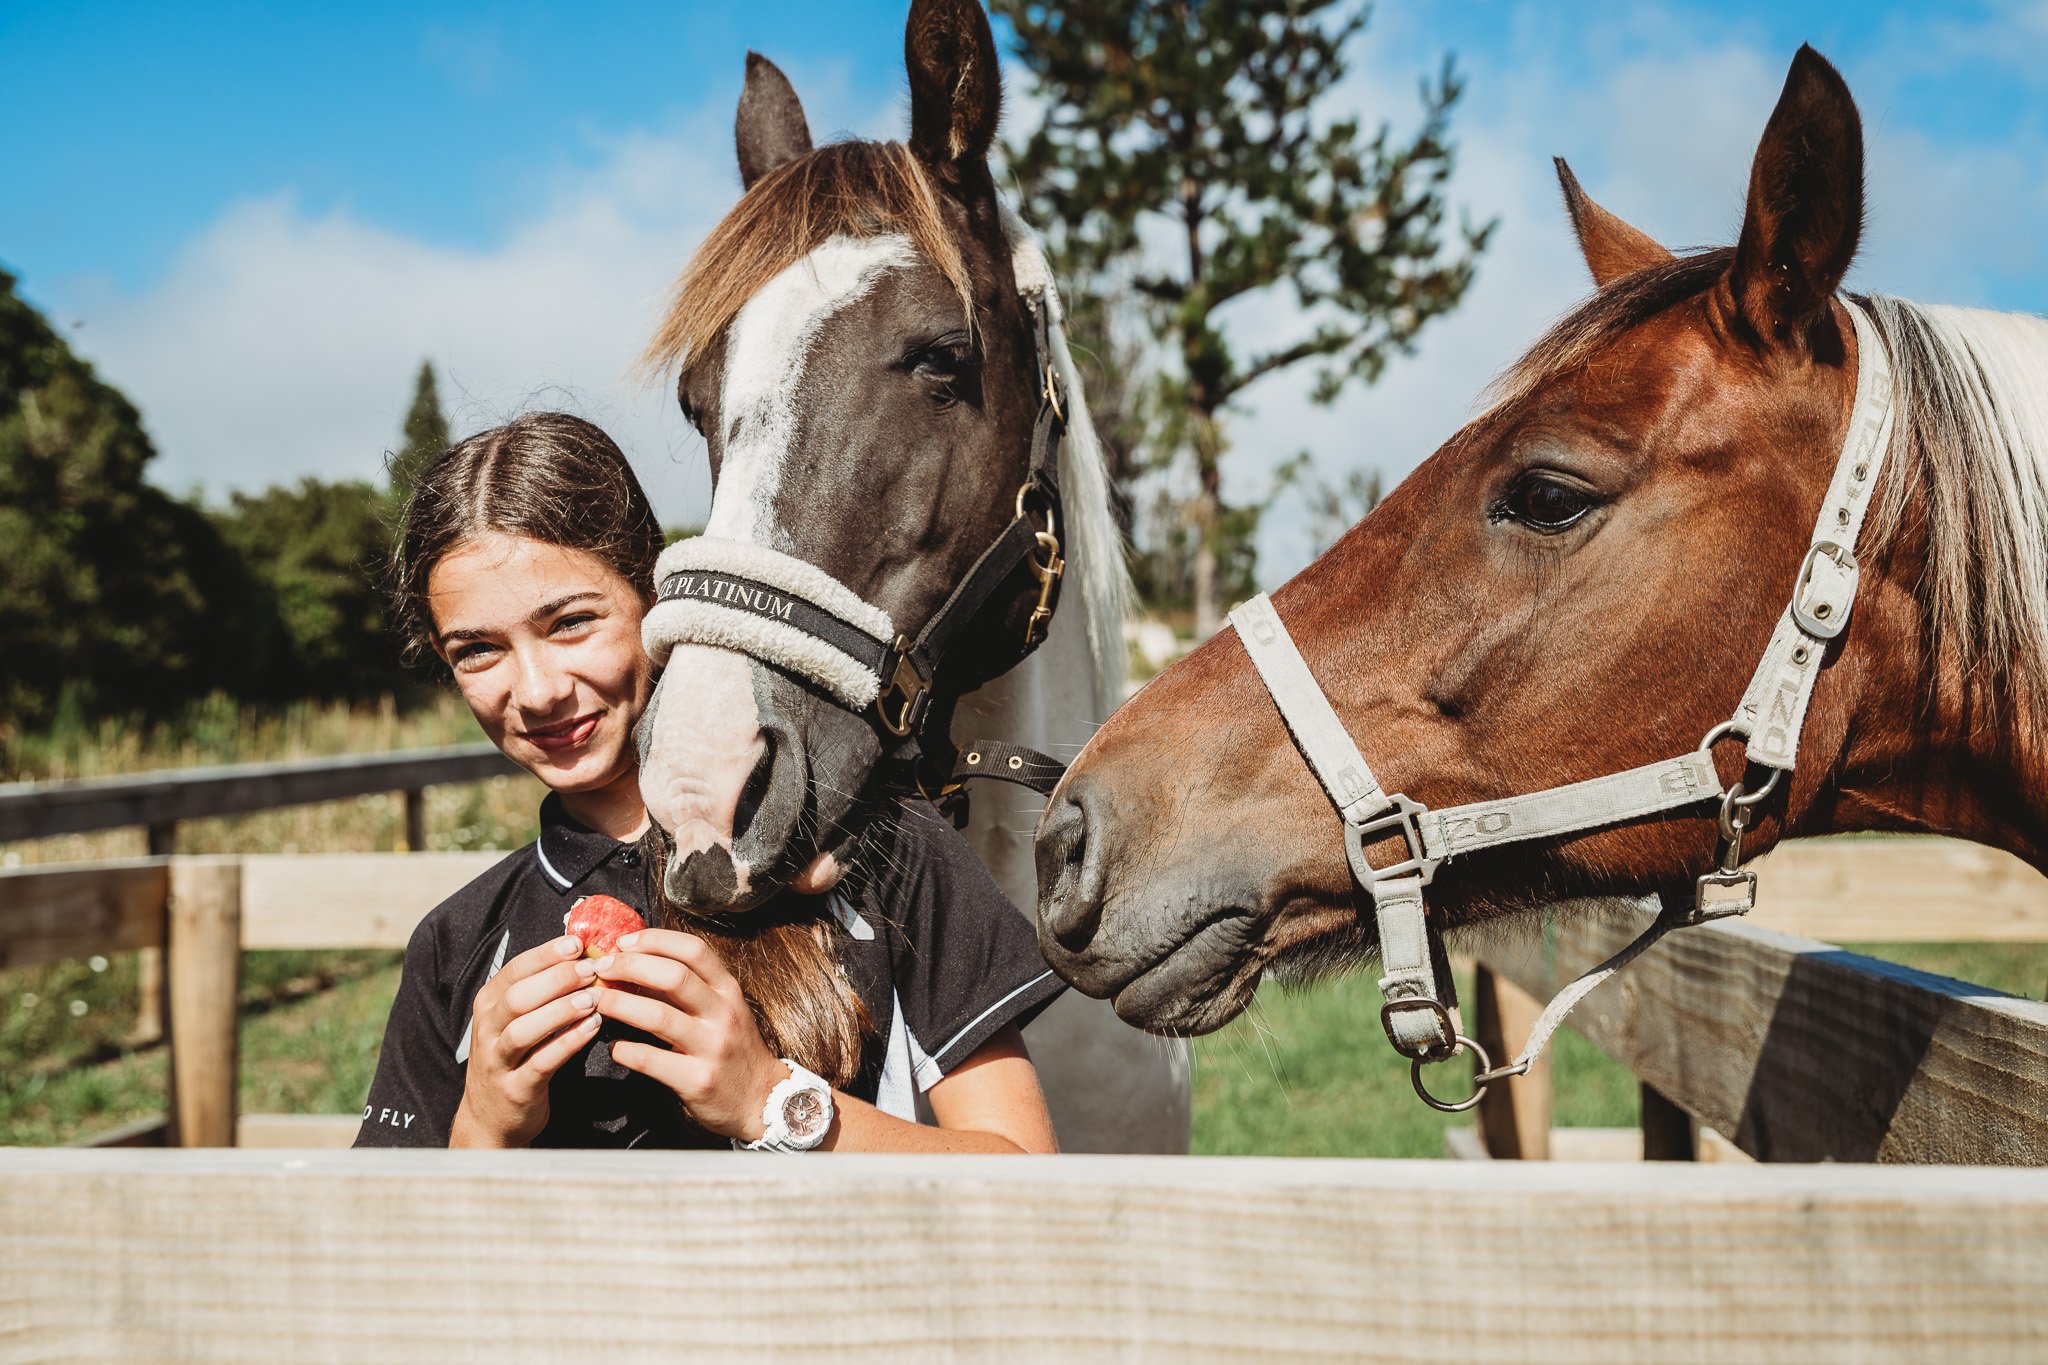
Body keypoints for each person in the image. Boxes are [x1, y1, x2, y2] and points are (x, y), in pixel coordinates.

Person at [354, 412, 1062, 1152]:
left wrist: (772, 1100)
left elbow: (1026, 1176)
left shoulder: (883, 853)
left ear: (656, 600)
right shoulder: (453, 944)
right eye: (477, 650)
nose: (535, 691)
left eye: (569, 623)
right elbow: (390, 1251)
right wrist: (483, 1127)